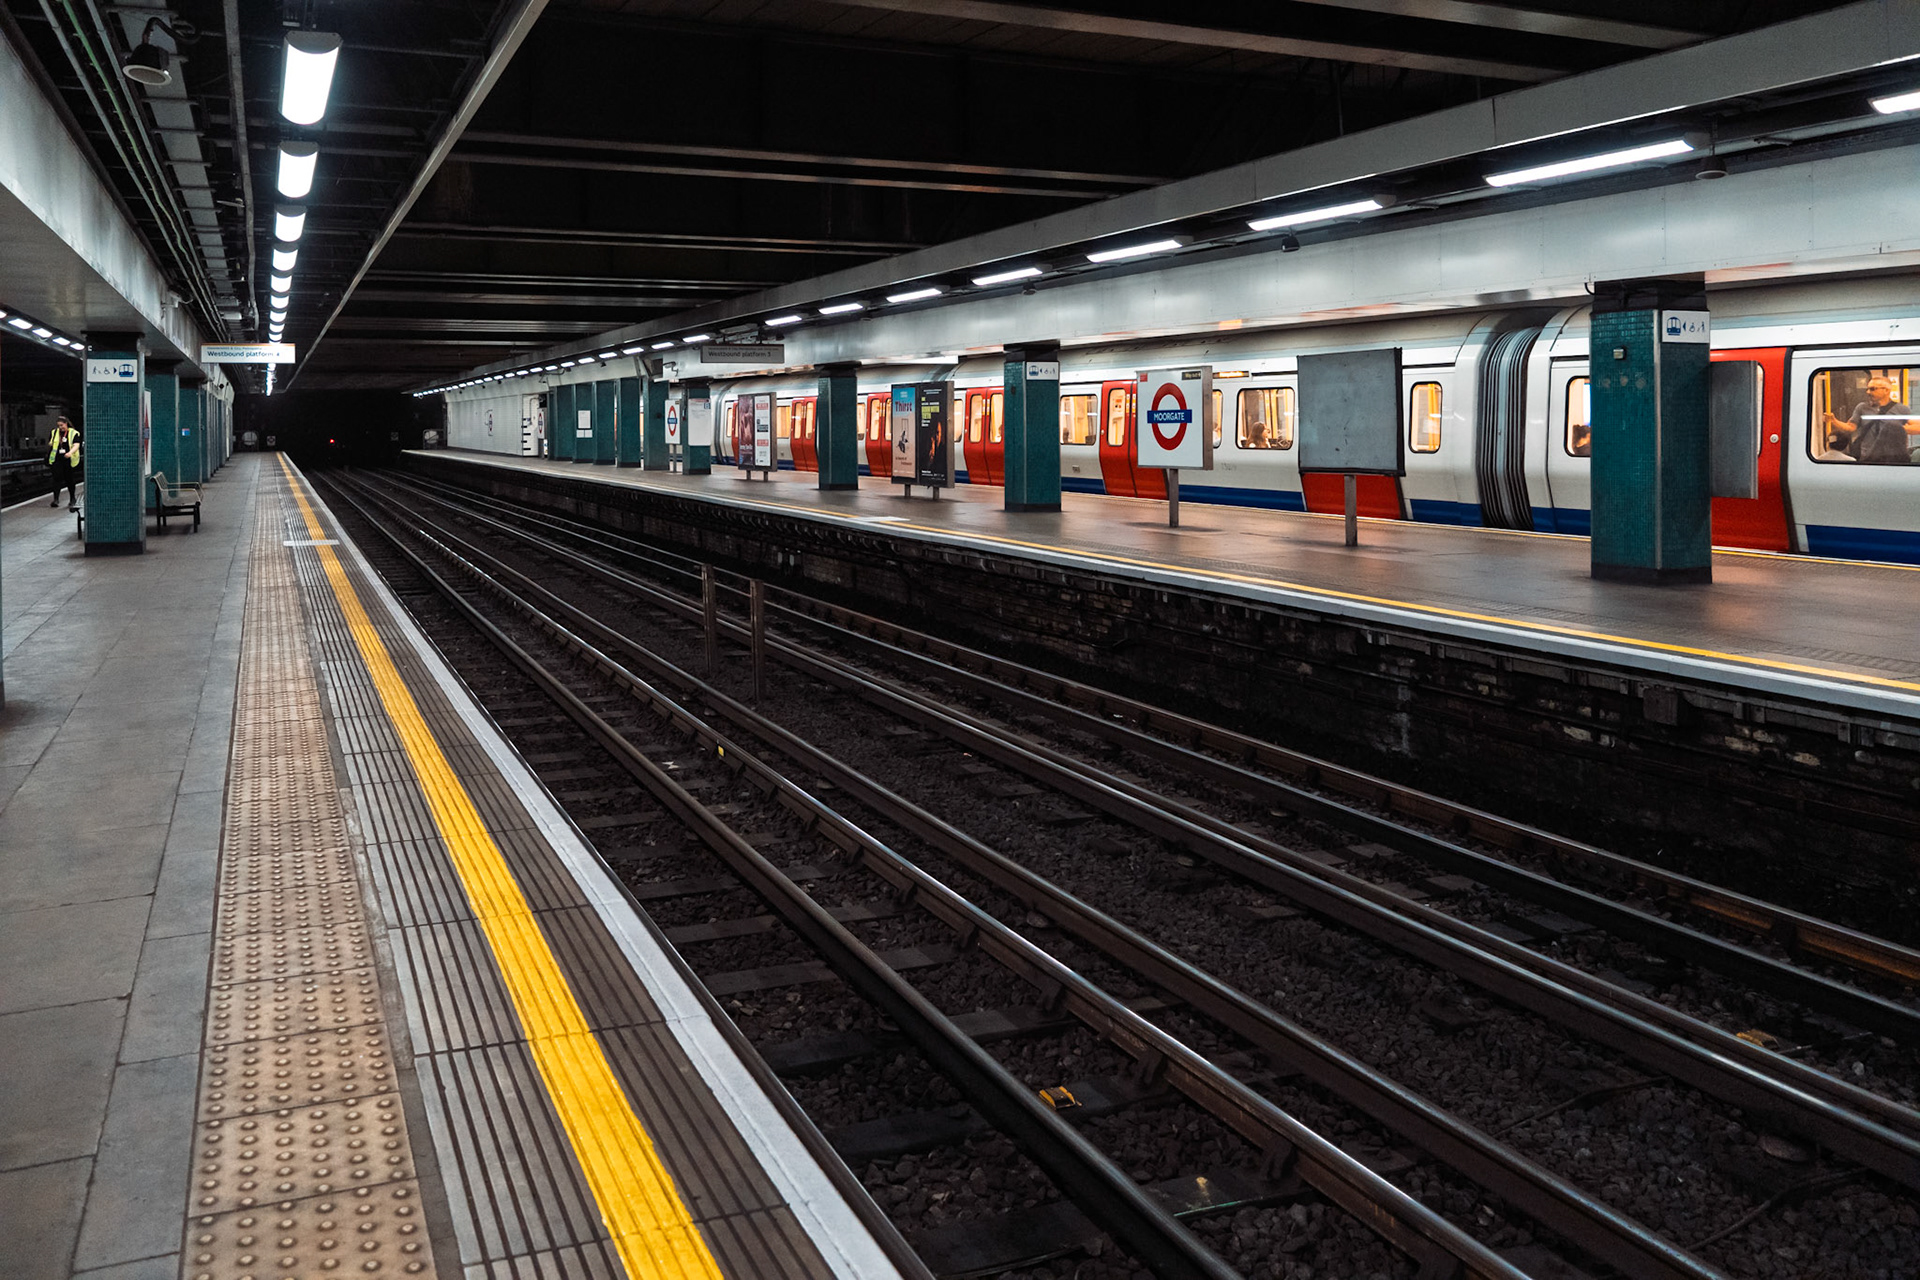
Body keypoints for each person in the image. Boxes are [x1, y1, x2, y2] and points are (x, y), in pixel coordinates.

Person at [1823, 376, 1917, 464]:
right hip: (1867, 456)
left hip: (1892, 456)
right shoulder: (1862, 408)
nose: (1868, 392)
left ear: (1886, 390)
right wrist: (1834, 421)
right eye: (1867, 389)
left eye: (1872, 389)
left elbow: (1917, 427)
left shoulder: (1901, 409)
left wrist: (1896, 429)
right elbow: (1851, 427)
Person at [47, 416, 81, 509]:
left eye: (62, 425)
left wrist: (70, 453)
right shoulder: (54, 432)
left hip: (68, 460)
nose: (60, 427)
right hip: (57, 459)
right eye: (59, 426)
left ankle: (72, 499)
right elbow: (51, 444)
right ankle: (56, 499)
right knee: (56, 479)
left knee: (69, 479)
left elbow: (76, 445)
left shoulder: (74, 433)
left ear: (66, 423)